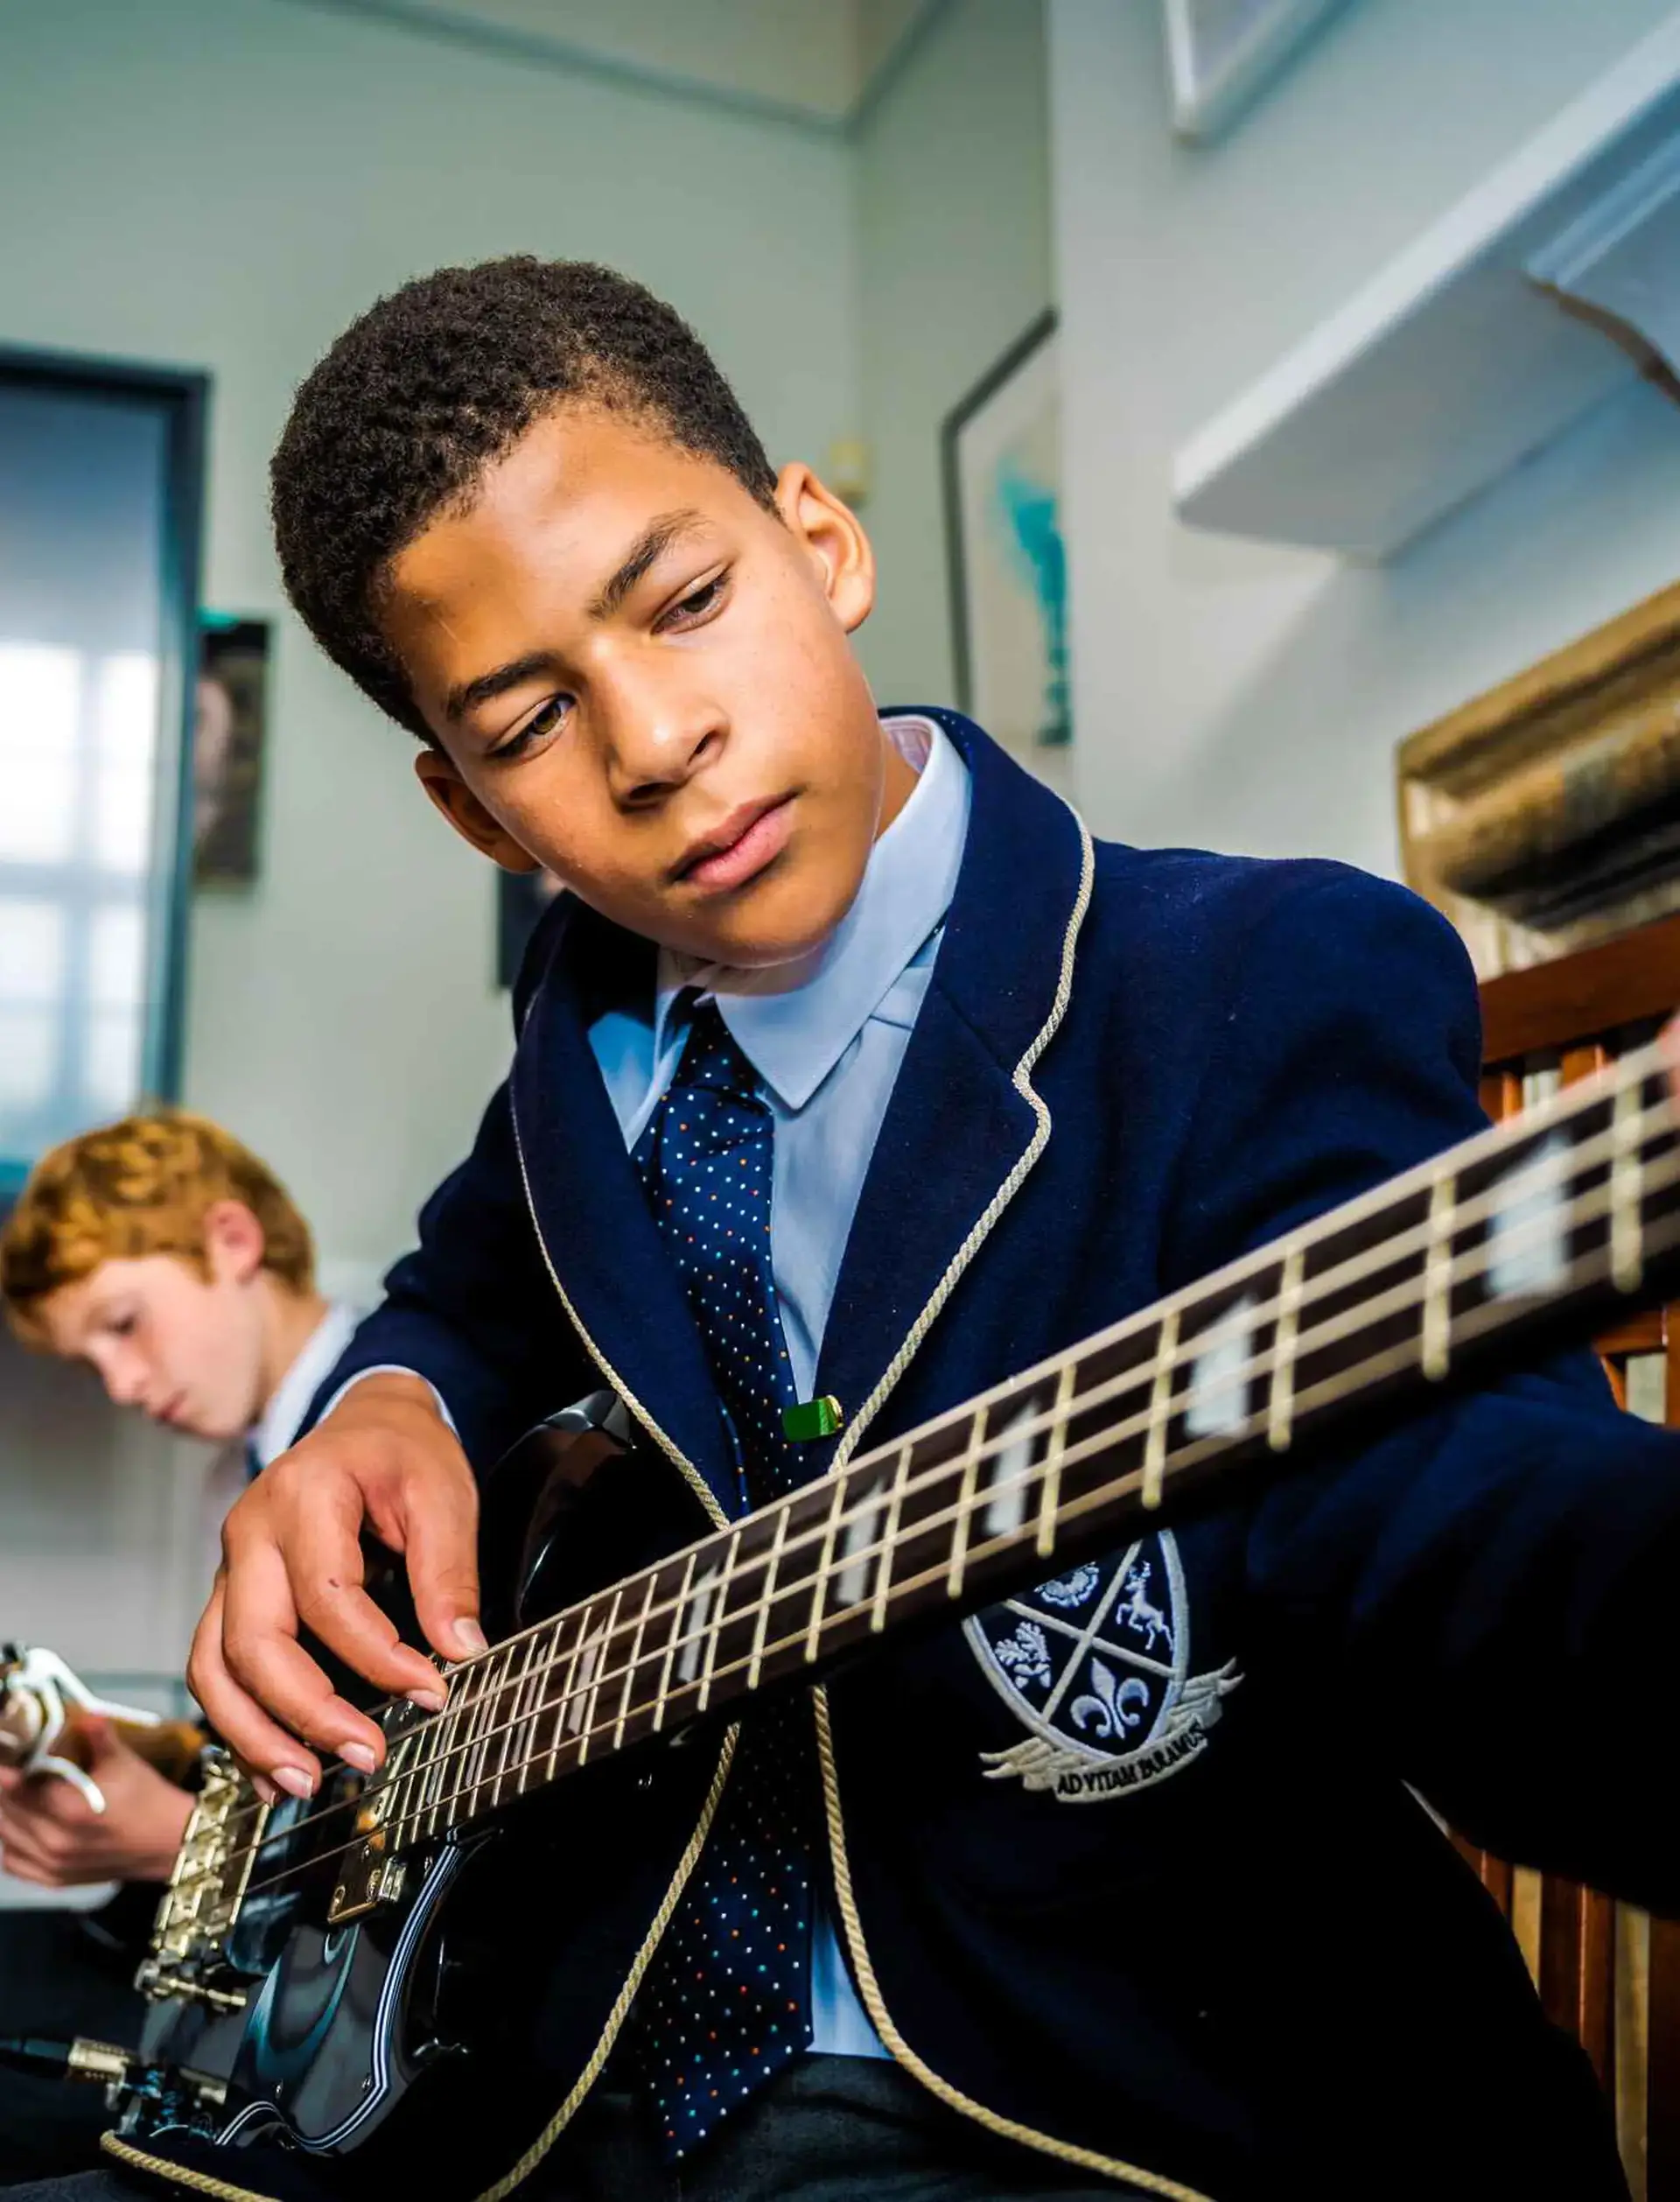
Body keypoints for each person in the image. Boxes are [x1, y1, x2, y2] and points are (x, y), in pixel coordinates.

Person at [24, 257, 1680, 2202]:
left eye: (692, 601)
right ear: (470, 812)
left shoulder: (1247, 981)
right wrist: (382, 1403)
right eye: (531, 718)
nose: (652, 742)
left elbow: (1471, 1539)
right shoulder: (585, 1054)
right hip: (576, 2081)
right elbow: (464, 1284)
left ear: (820, 541)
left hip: (1098, 2095)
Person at [0, 1112, 359, 2180]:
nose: (118, 1383)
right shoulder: (227, 1471)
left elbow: (411, 1771)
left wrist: (182, 1842)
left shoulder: (382, 1440)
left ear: (231, 1241)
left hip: (307, 1995)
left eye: (124, 1324)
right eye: (89, 1357)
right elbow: (246, 1743)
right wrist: (111, 1742)